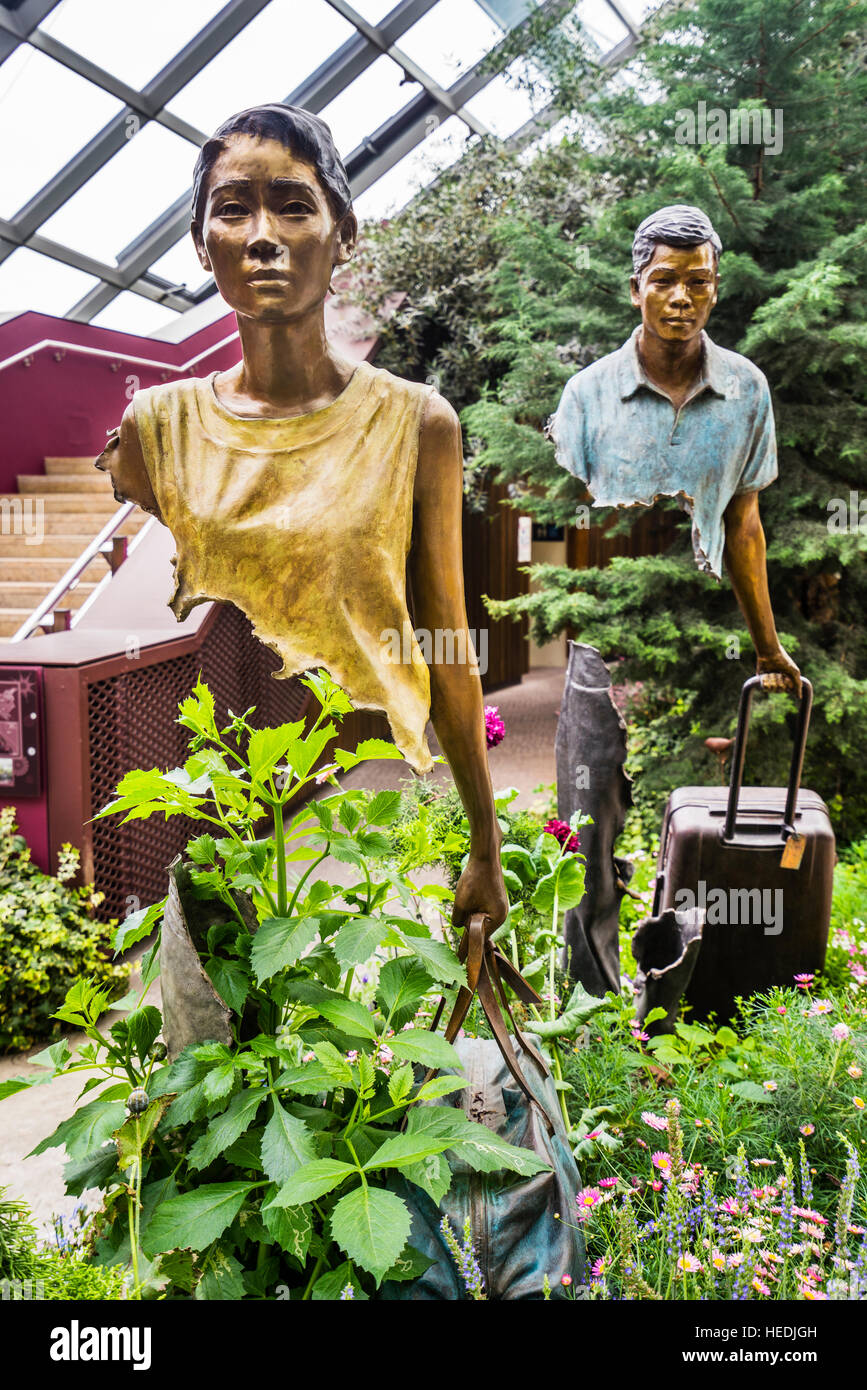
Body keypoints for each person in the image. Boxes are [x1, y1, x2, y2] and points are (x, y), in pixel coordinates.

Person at [96, 103, 508, 934]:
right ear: (199, 241)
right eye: (232, 207)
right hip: (209, 813)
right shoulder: (154, 431)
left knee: (362, 1048)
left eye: (292, 204)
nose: (261, 235)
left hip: (360, 808)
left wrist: (484, 844)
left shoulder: (415, 423)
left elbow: (443, 634)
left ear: (342, 232)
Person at [549, 203, 801, 696]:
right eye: (664, 280)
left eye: (698, 282)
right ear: (635, 289)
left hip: (712, 654)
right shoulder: (584, 397)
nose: (681, 298)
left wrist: (768, 647)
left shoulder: (747, 388)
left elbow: (744, 522)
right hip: (601, 647)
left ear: (715, 289)